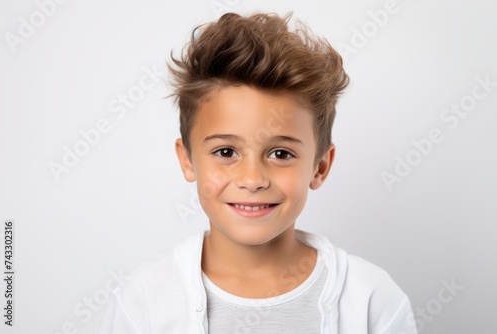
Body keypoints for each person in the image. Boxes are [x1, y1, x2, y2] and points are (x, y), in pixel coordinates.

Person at [99, 12, 417, 334]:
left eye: (281, 154)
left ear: (320, 167)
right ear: (188, 160)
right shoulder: (144, 303)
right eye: (226, 152)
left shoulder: (371, 301)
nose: (252, 180)